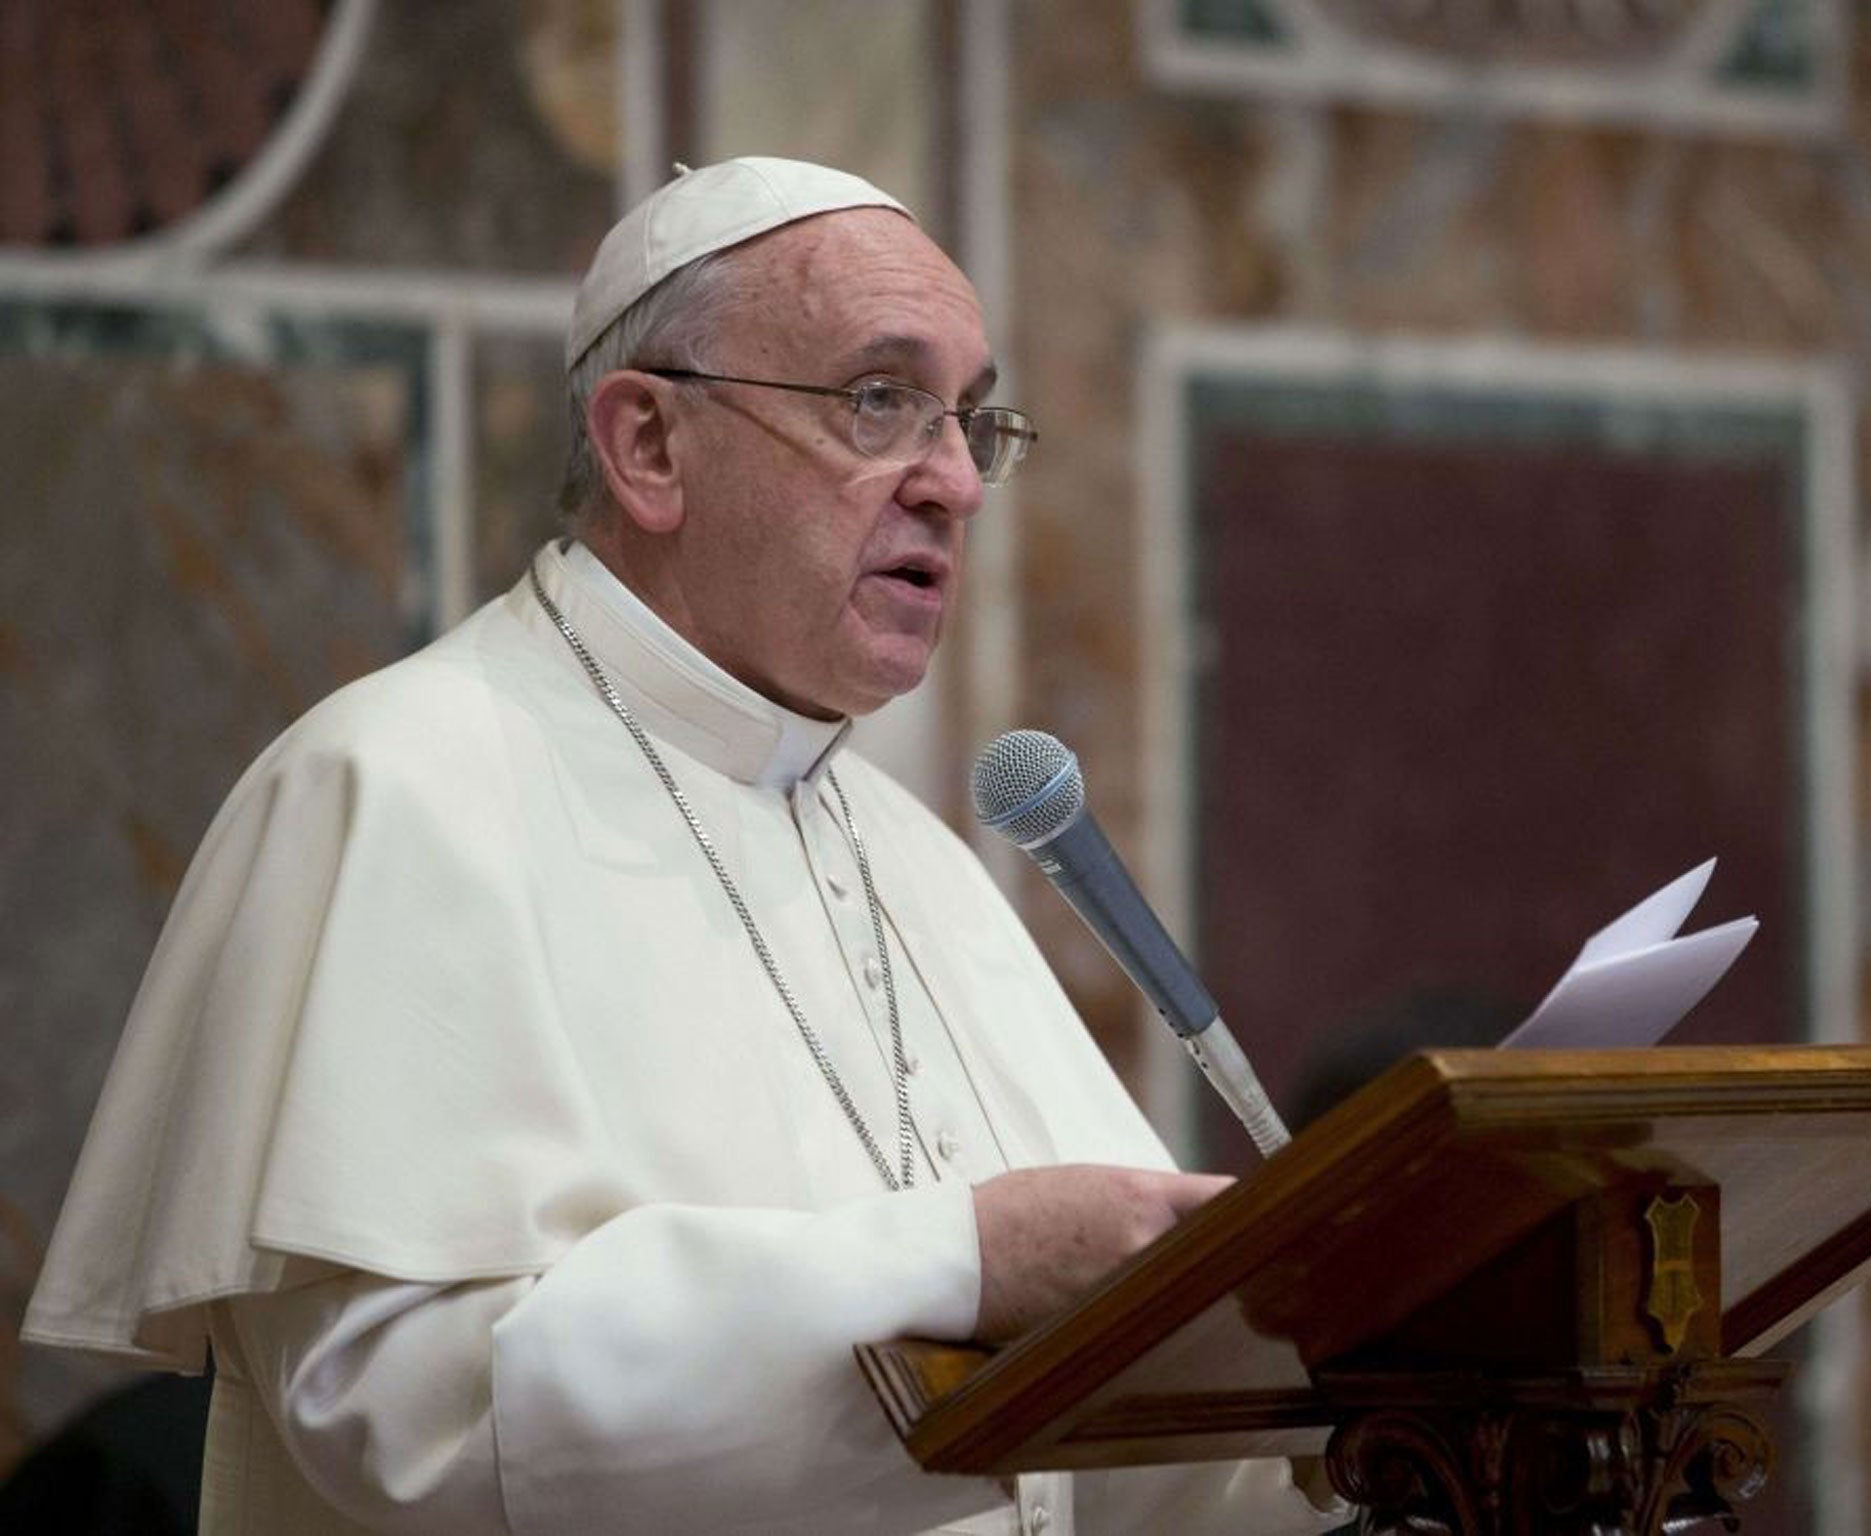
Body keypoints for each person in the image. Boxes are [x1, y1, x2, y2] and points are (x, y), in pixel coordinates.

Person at [24, 158, 1347, 1535]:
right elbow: (406, 1416)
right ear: (648, 445)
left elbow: (1127, 1473)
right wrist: (961, 1258)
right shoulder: (393, 787)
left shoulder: (921, 863)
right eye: (880, 400)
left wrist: (1355, 1419)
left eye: (968, 418)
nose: (953, 479)